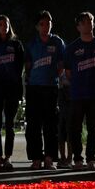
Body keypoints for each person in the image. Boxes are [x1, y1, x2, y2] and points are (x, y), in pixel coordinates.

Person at [63, 12, 95, 171]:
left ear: (93, 23)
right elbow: (68, 73)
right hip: (77, 95)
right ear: (78, 27)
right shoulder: (71, 48)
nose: (87, 24)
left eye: (90, 20)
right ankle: (77, 160)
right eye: (83, 22)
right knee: (75, 128)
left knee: (93, 129)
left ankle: (91, 160)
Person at [24, 10, 65, 170]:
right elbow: (27, 67)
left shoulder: (57, 42)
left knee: (51, 125)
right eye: (42, 23)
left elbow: (61, 65)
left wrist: (54, 77)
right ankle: (36, 158)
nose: (46, 26)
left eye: (49, 23)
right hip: (34, 89)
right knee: (33, 125)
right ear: (37, 26)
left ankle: (49, 158)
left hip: (51, 88)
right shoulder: (32, 44)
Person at [0, 15, 25, 171]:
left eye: (6, 24)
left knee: (9, 125)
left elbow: (21, 67)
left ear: (9, 26)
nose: (3, 26)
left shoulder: (16, 44)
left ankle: (8, 157)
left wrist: (16, 85)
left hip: (12, 89)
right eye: (0, 24)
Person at [56, 74, 72, 168]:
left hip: (71, 90)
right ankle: (62, 157)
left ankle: (69, 158)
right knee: (61, 129)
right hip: (60, 91)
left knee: (70, 128)